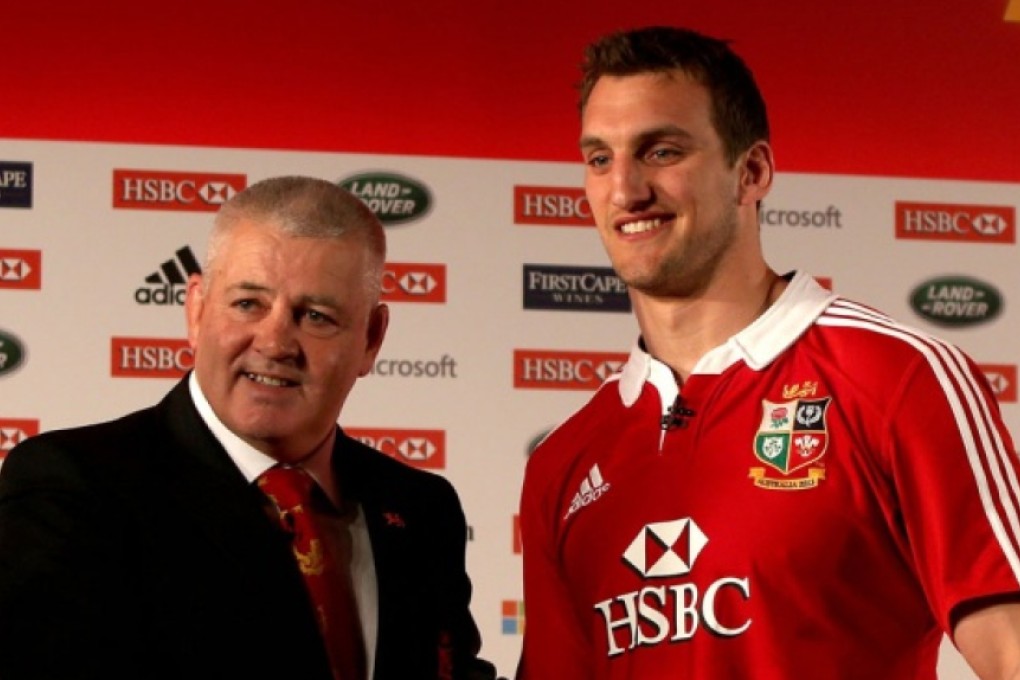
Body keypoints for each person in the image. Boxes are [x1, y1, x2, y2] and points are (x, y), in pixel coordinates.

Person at [516, 26, 1020, 680]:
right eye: (599, 159)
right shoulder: (563, 464)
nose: (625, 190)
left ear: (751, 172)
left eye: (661, 151)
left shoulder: (898, 376)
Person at [0, 176, 497, 680]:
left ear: (371, 339)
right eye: (248, 304)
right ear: (196, 310)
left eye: (317, 316)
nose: (276, 341)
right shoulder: (73, 487)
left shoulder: (421, 508)